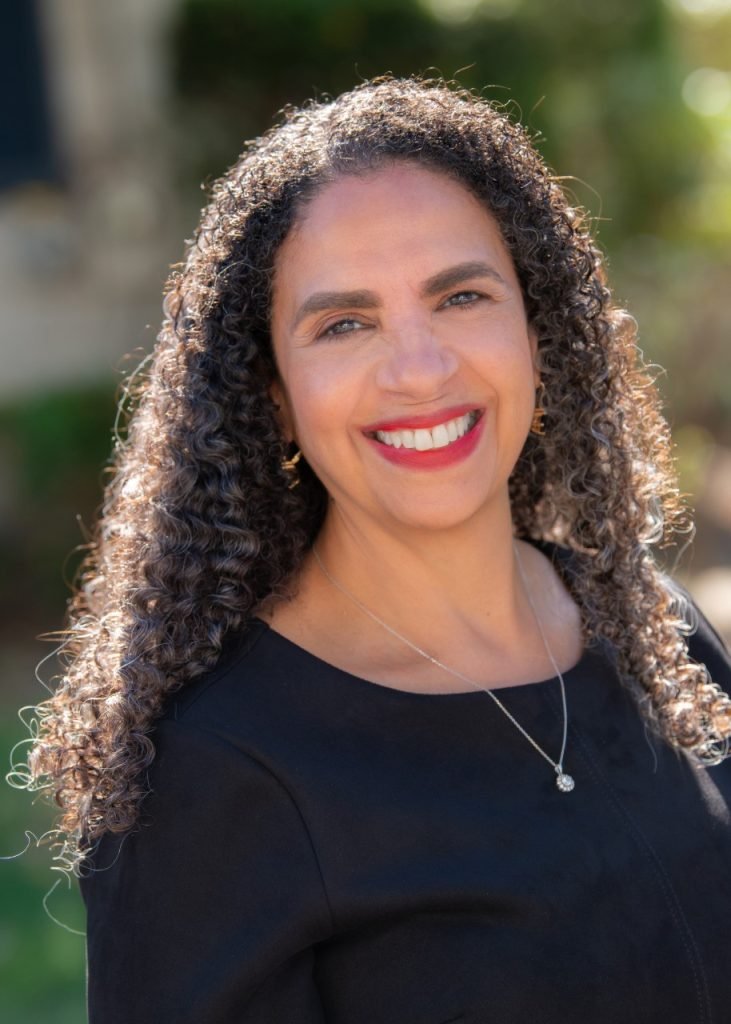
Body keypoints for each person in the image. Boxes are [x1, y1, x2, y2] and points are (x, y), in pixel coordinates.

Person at [21, 76, 731, 1023]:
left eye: (461, 296)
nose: (421, 369)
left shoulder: (652, 629)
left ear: (536, 327)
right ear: (272, 390)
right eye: (343, 323)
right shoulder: (218, 775)